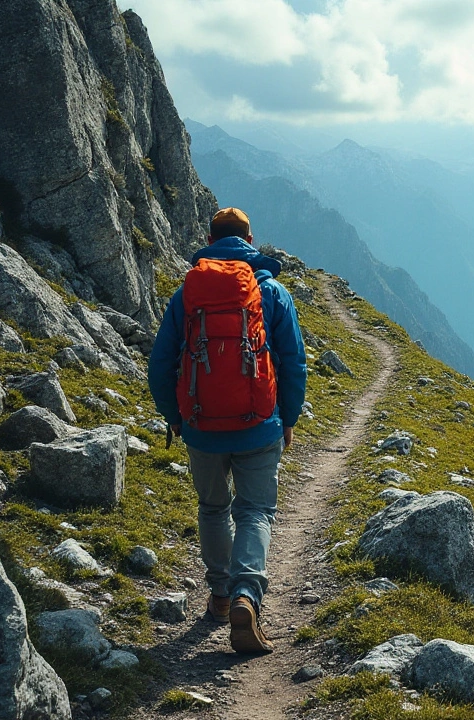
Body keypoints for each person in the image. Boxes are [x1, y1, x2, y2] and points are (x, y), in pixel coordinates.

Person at [148, 207, 307, 654]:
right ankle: (246, 596)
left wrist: (174, 415)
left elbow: (160, 363)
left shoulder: (187, 294)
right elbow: (293, 363)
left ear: (210, 238)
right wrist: (288, 417)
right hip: (259, 425)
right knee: (255, 511)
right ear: (251, 239)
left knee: (213, 508)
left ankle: (219, 597)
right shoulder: (271, 291)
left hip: (200, 424)